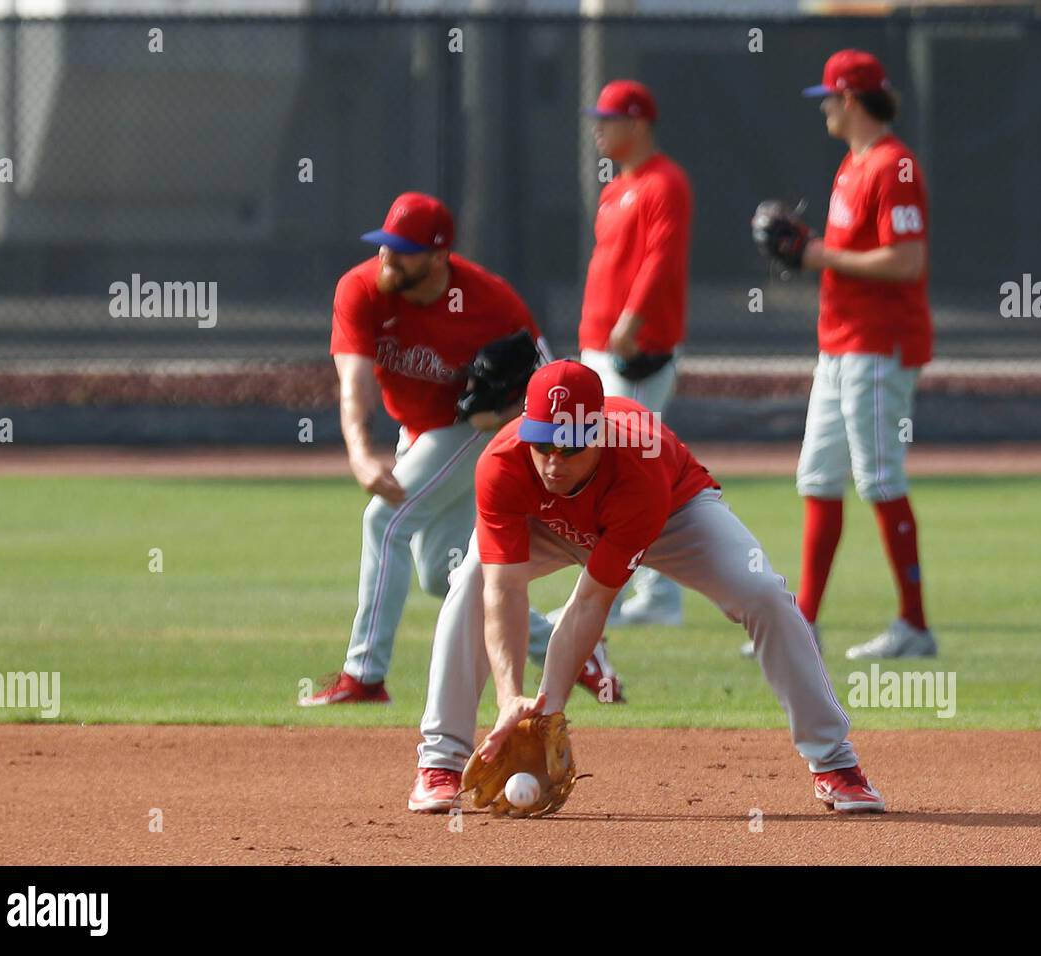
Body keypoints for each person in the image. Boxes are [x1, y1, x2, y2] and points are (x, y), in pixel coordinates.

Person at [406, 360, 884, 815]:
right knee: (471, 579)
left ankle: (835, 762)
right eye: (542, 444)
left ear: (600, 432)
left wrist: (547, 710)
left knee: (763, 593)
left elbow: (590, 600)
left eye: (570, 446)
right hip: (548, 524)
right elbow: (504, 591)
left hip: (672, 514)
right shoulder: (503, 463)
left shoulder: (638, 468)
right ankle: (440, 761)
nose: (553, 462)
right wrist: (512, 700)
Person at [300, 192, 622, 707]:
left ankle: (364, 676)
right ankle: (572, 649)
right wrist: (361, 454)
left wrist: (515, 424)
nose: (387, 256)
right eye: (384, 245)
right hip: (419, 433)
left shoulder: (490, 300)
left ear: (437, 254)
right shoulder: (361, 289)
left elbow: (550, 382)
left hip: (475, 428)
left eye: (402, 249)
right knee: (445, 572)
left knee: (384, 521)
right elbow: (354, 384)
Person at [752, 50, 937, 661]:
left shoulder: (894, 165)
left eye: (829, 98)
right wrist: (813, 247)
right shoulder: (850, 165)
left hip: (879, 344)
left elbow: (905, 261)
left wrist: (817, 255)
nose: (825, 108)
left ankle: (914, 625)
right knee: (818, 477)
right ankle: (804, 623)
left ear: (851, 100)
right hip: (840, 343)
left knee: (880, 479)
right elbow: (845, 251)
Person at [550, 79, 692, 629]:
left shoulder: (665, 182)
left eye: (607, 119)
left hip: (636, 349)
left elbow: (661, 259)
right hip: (601, 346)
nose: (597, 129)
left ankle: (656, 598)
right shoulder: (618, 187)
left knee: (629, 470)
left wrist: (631, 322)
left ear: (638, 123)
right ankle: (640, 592)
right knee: (616, 470)